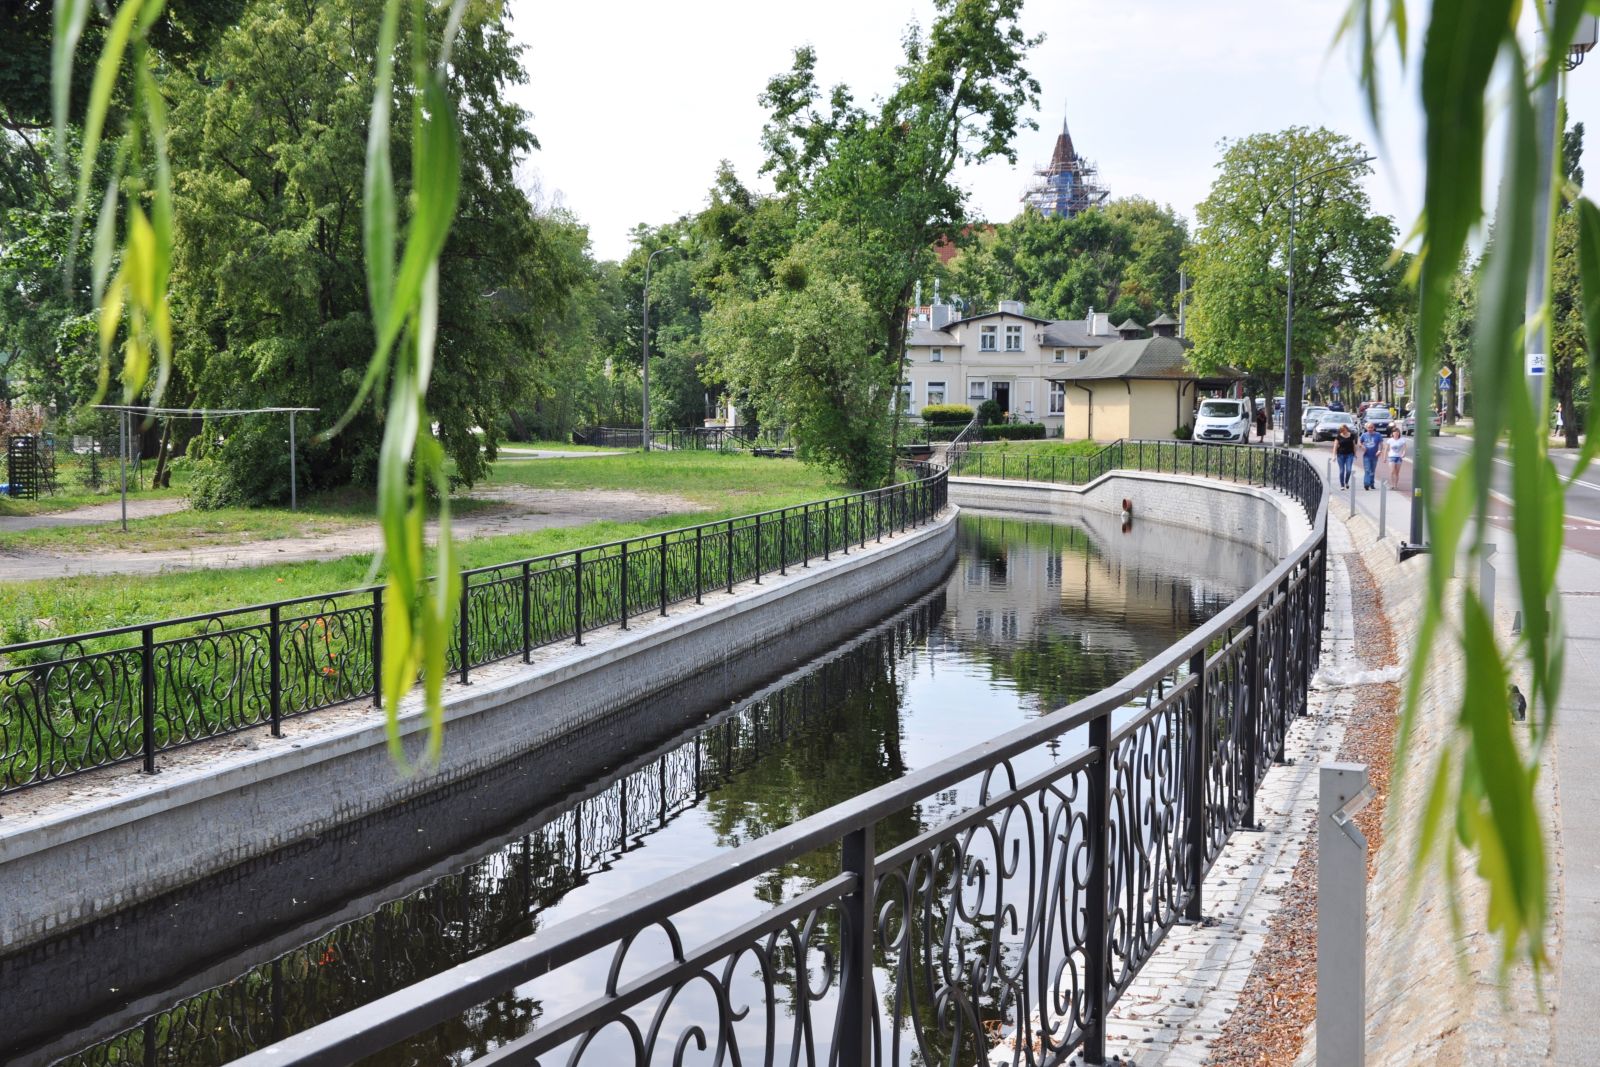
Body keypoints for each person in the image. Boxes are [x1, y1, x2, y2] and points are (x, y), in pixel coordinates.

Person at [1358, 421, 1384, 490]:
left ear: (1374, 428)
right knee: (1367, 470)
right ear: (1366, 428)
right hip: (1366, 455)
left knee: (1372, 470)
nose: (1370, 429)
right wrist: (1362, 446)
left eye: (1371, 427)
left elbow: (1381, 444)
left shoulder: (1378, 435)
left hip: (1375, 456)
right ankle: (1366, 484)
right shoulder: (1364, 435)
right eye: (1369, 428)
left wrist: (1379, 451)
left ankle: (1372, 483)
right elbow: (1359, 443)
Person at [1333, 423, 1356, 488]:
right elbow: (1335, 447)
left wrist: (1355, 454)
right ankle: (1342, 485)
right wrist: (1334, 456)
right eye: (1342, 430)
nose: (1343, 431)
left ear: (1347, 429)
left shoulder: (1351, 436)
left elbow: (1354, 445)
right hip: (1340, 455)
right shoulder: (1338, 437)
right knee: (1342, 470)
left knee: (1349, 470)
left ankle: (1346, 482)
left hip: (1350, 455)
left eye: (1344, 430)